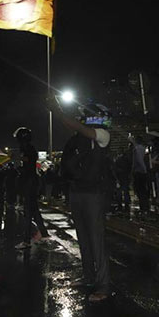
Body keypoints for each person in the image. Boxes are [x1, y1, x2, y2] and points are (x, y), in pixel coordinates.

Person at [47, 97, 112, 303]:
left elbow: (72, 124)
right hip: (76, 190)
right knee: (83, 238)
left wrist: (57, 111)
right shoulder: (80, 137)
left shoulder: (102, 135)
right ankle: (89, 277)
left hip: (93, 194)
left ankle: (103, 285)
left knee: (96, 240)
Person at [13, 127, 50, 250]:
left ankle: (26, 240)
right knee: (34, 210)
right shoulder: (27, 148)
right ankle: (44, 234)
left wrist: (17, 159)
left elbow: (29, 160)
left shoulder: (28, 148)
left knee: (28, 212)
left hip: (30, 183)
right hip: (31, 182)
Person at [129, 135, 150, 217]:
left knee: (139, 191)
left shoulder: (136, 149)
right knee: (143, 191)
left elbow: (136, 161)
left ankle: (143, 209)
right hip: (144, 172)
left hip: (138, 171)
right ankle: (145, 208)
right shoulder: (144, 148)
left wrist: (132, 171)